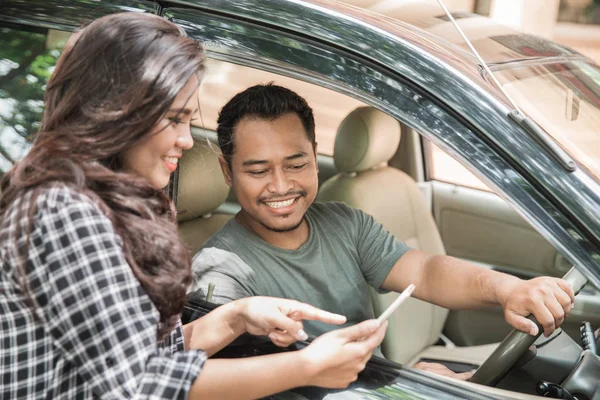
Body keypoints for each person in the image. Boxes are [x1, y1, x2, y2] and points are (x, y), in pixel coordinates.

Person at [0, 14, 389, 400]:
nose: (187, 141)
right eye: (174, 120)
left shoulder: (113, 208)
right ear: (117, 113)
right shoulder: (64, 211)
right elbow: (139, 387)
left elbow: (152, 358)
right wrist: (308, 366)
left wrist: (238, 316)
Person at [189, 83, 576, 380]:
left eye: (296, 164)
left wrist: (507, 289)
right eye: (258, 170)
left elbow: (425, 271)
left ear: (314, 155)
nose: (280, 185)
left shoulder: (343, 222)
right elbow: (235, 385)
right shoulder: (220, 273)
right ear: (228, 171)